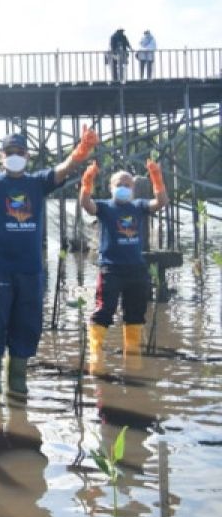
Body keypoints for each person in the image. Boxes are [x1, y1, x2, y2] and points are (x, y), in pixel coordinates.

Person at [0, 121, 97, 399]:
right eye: (10, 150)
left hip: (30, 269)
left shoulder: (37, 183)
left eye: (20, 151)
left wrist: (80, 151)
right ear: (1, 156)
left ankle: (18, 382)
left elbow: (63, 170)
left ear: (27, 156)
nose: (15, 155)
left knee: (26, 326)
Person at [80, 159, 168, 371]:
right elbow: (86, 205)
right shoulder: (104, 207)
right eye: (119, 184)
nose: (123, 187)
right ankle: (96, 355)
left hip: (136, 270)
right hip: (111, 269)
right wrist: (87, 183)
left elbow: (161, 202)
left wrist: (157, 179)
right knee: (104, 310)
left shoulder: (138, 206)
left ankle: (133, 357)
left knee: (135, 313)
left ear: (133, 188)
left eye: (128, 184)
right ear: (111, 188)